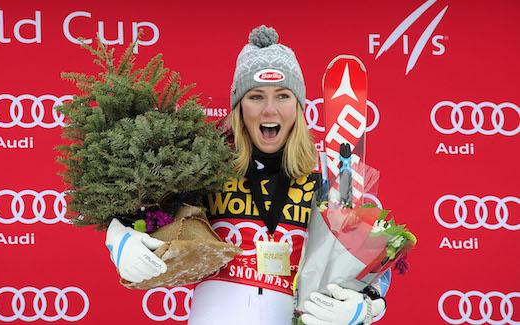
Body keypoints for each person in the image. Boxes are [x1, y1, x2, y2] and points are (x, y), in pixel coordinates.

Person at [105, 25, 387, 325]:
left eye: (282, 96)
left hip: (290, 313)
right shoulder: (205, 165)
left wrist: (366, 307)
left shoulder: (326, 173)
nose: (269, 110)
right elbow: (145, 216)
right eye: (255, 97)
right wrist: (119, 239)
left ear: (298, 106)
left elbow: (367, 259)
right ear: (239, 107)